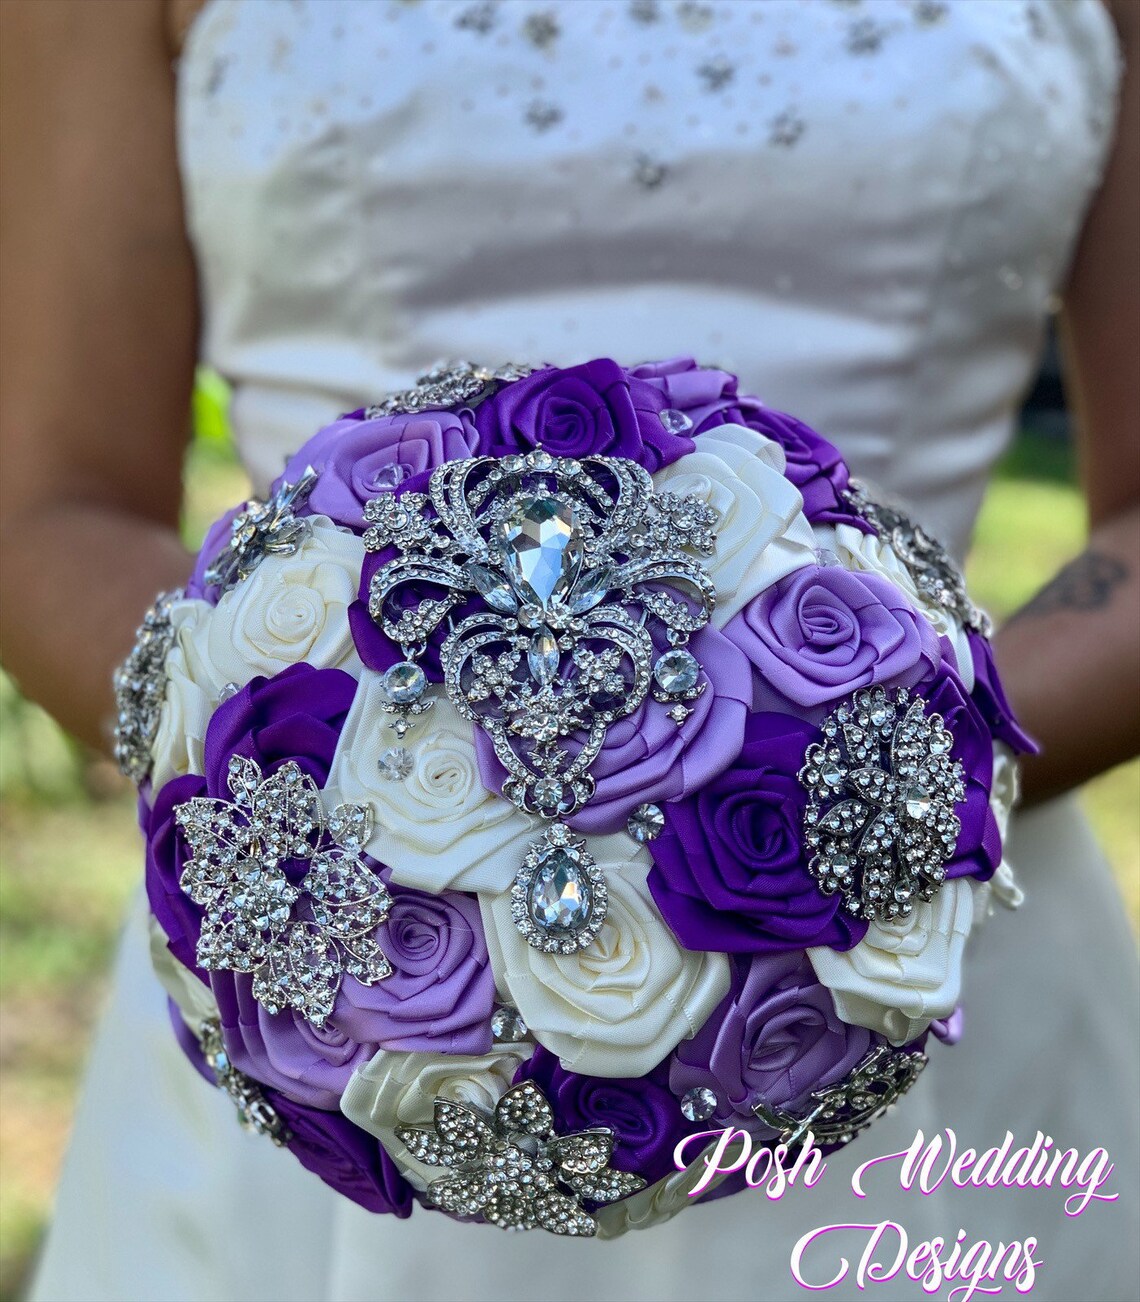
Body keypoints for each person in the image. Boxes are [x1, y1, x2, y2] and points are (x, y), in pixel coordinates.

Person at [2, 1, 1137, 1299]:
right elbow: (57, 509)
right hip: (351, 986)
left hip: (921, 980)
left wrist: (889, 792)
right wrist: (314, 834)